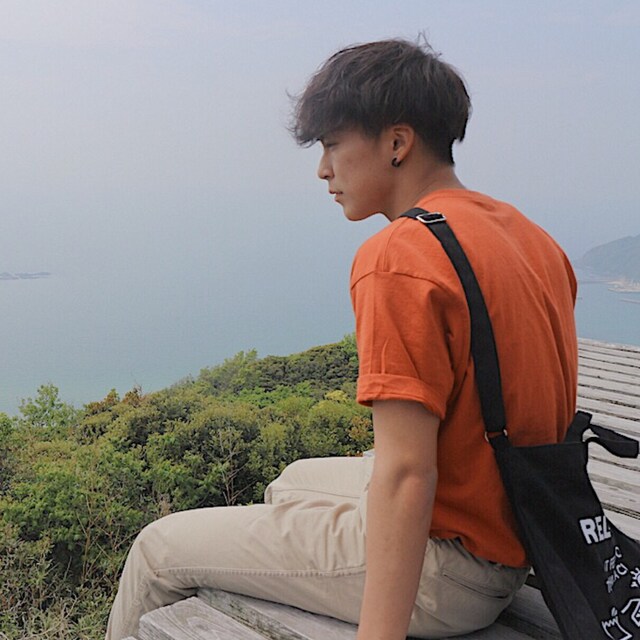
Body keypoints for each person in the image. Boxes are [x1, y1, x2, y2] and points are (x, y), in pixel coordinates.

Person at [106, 38, 578, 640]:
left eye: (332, 144)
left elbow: (407, 474)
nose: (323, 169)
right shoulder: (529, 236)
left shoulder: (399, 256)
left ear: (397, 143)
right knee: (291, 482)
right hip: (524, 533)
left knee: (156, 549)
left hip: (452, 573)